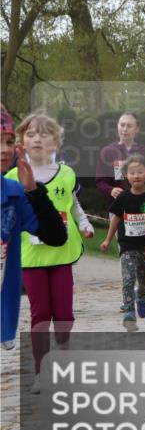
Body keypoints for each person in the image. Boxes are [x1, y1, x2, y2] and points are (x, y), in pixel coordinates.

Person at [6, 112, 94, 390]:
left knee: (64, 314)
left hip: (62, 254)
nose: (36, 139)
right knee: (40, 313)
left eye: (43, 134)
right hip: (31, 257)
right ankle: (41, 371)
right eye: (30, 134)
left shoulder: (66, 174)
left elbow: (74, 204)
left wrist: (84, 222)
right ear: (21, 142)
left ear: (56, 143)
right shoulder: (11, 176)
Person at [0, 108, 69, 353]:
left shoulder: (13, 192)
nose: (5, 149)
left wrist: (34, 192)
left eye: (8, 141)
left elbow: (56, 236)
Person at [100, 154, 145, 331]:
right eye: (132, 172)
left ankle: (142, 296)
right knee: (128, 278)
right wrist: (107, 239)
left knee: (144, 279)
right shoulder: (122, 198)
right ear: (126, 176)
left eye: (140, 172)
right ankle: (129, 311)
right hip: (127, 245)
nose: (136, 175)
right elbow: (115, 219)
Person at [96, 112, 145, 199]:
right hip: (118, 206)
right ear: (117, 126)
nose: (125, 129)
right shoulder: (107, 152)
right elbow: (100, 181)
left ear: (137, 129)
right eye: (122, 125)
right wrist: (110, 190)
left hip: (144, 205)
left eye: (129, 126)